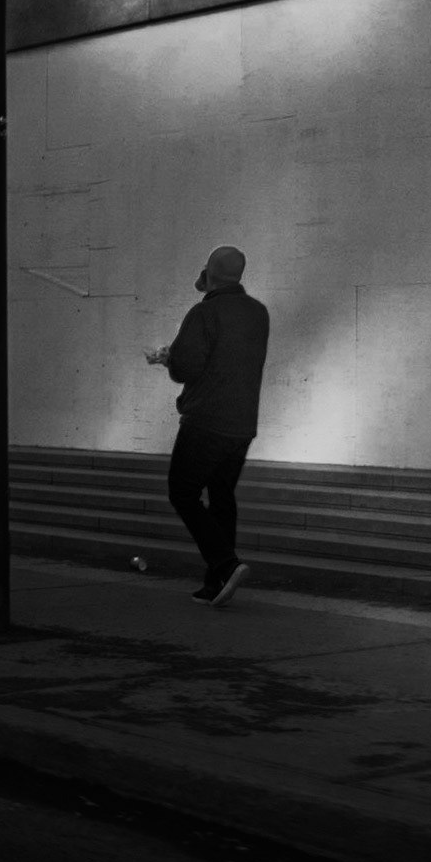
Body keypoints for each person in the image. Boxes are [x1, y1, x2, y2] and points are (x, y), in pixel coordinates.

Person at [145, 246, 269, 606]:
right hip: (242, 423)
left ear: (209, 272)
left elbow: (186, 368)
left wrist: (169, 357)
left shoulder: (204, 313)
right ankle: (215, 583)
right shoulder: (258, 312)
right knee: (221, 496)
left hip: (206, 420)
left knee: (182, 493)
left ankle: (226, 565)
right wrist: (210, 282)